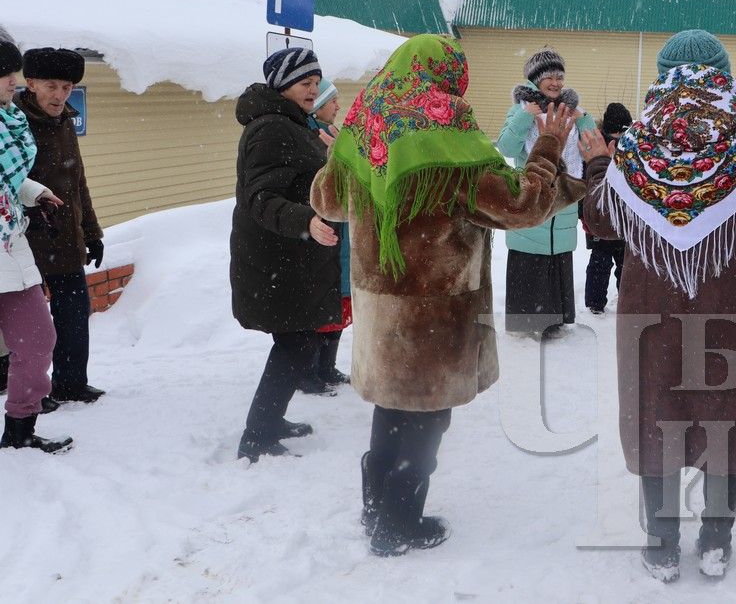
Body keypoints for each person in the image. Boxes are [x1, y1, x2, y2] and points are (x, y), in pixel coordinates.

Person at [311, 35, 583, 556]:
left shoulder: (371, 131)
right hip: (435, 317)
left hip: (382, 315)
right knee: (427, 417)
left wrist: (342, 152)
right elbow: (521, 205)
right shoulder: (449, 139)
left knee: (392, 408)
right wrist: (548, 148)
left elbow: (326, 199)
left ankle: (376, 509)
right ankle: (398, 523)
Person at [580, 30, 736, 582]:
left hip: (651, 308)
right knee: (727, 416)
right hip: (735, 307)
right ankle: (716, 538)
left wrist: (597, 167)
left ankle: (660, 542)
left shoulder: (635, 144)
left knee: (657, 416)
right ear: (724, 76)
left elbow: (602, 220)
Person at [230, 47, 341, 462]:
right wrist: (303, 220)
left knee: (297, 340)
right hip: (276, 256)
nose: (312, 90)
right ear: (282, 85)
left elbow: (300, 179)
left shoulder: (294, 123)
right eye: (304, 83)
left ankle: (269, 421)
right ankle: (257, 435)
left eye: (315, 82)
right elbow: (258, 196)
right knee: (296, 344)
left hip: (289, 255)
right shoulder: (272, 128)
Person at [16, 48, 105, 405]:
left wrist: (94, 233)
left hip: (66, 240)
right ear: (31, 83)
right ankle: (31, 393)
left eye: (67, 87)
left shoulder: (66, 120)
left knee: (74, 315)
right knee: (29, 328)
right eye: (51, 86)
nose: (59, 95)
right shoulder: (13, 123)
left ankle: (71, 383)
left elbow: (78, 184)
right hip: (26, 241)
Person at [0, 36, 72, 453]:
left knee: (38, 339)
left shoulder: (9, 121)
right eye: (6, 74)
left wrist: (35, 193)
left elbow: (8, 177)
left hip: (11, 247)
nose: (15, 82)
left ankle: (20, 428)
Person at [496, 48, 597, 340]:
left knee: (557, 259)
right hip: (532, 194)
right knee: (529, 258)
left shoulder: (570, 111)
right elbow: (507, 148)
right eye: (549, 77)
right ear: (535, 80)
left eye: (559, 77)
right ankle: (527, 325)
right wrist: (525, 117)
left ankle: (556, 321)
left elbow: (590, 147)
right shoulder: (521, 110)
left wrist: (584, 117)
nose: (555, 82)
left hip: (563, 197)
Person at [300, 78, 352, 393]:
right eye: (333, 101)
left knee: (338, 305)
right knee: (322, 306)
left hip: (340, 233)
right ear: (319, 106)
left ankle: (326, 367)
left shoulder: (334, 135)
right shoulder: (310, 138)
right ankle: (308, 373)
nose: (338, 106)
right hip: (322, 234)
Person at [582, 102, 632, 315]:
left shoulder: (632, 147)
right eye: (617, 132)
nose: (619, 138)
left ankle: (626, 299)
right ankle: (595, 304)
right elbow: (588, 186)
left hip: (623, 219)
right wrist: (584, 217)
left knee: (624, 264)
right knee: (599, 264)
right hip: (600, 218)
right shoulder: (596, 148)